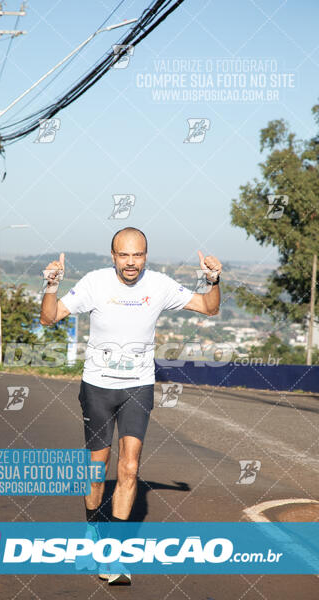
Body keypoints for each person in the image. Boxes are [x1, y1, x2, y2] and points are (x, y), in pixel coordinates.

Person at [39, 227, 222, 584]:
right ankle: (93, 528)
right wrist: (50, 286)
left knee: (129, 467)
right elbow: (49, 317)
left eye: (137, 255)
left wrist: (213, 280)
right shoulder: (95, 283)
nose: (131, 262)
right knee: (97, 471)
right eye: (124, 255)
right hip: (98, 387)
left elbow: (208, 308)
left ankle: (114, 556)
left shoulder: (159, 285)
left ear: (145, 256)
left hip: (138, 387)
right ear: (113, 257)